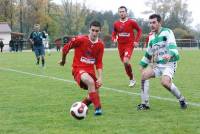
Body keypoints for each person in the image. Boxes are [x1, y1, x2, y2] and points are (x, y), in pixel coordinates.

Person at [137, 14, 187, 110]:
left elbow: (173, 46)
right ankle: (145, 104)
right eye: (150, 23)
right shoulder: (151, 37)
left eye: (154, 22)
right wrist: (142, 64)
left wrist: (170, 54)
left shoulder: (167, 32)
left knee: (164, 82)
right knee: (144, 76)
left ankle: (181, 99)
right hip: (158, 65)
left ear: (160, 23)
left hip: (169, 63)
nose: (152, 25)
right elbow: (148, 53)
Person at [59, 21, 104, 116]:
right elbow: (65, 49)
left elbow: (99, 62)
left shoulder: (100, 45)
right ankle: (98, 108)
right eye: (93, 30)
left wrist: (100, 77)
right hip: (78, 69)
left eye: (97, 31)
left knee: (93, 95)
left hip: (90, 71)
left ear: (100, 31)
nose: (94, 33)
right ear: (89, 29)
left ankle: (82, 106)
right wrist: (63, 60)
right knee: (91, 82)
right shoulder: (80, 39)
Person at [112, 6, 142, 87]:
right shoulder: (116, 24)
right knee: (125, 63)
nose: (122, 13)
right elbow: (114, 33)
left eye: (123, 11)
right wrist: (114, 38)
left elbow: (139, 30)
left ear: (126, 12)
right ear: (119, 13)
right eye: (120, 12)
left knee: (126, 61)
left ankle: (132, 79)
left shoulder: (131, 22)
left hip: (129, 44)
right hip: (120, 46)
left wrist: (136, 41)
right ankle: (132, 78)